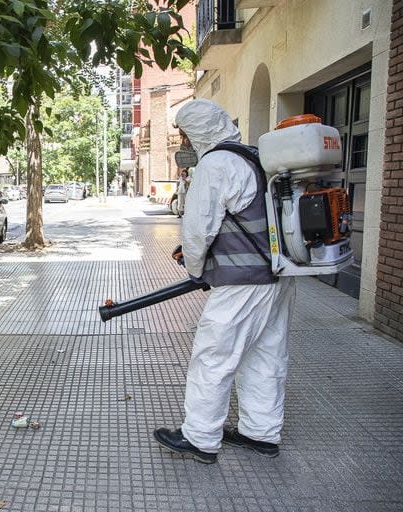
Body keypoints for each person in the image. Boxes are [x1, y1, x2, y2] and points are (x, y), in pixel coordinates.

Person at [153, 99, 297, 464]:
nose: (184, 143)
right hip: (278, 276)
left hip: (243, 283)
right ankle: (261, 433)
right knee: (265, 354)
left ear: (198, 131)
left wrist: (195, 269)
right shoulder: (254, 156)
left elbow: (199, 229)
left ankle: (200, 437)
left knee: (214, 356)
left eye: (185, 135)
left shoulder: (217, 163)